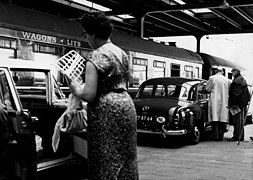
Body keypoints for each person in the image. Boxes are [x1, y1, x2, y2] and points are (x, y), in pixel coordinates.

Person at [69, 11, 139, 180]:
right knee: (125, 155)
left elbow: (89, 94)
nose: (86, 38)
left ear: (92, 34)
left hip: (106, 110)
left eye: (85, 34)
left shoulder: (95, 55)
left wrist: (75, 88)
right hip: (126, 106)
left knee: (105, 156)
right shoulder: (122, 53)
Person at [205, 67, 230, 141]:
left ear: (215, 71)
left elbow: (207, 89)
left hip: (214, 101)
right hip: (224, 101)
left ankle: (215, 136)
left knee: (215, 119)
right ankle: (221, 136)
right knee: (223, 119)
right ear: (222, 71)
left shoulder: (212, 78)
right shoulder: (227, 80)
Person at [228, 67, 250, 141]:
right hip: (242, 103)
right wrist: (247, 100)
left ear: (236, 72)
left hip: (237, 104)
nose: (232, 73)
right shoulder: (242, 80)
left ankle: (237, 136)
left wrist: (233, 103)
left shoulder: (236, 82)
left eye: (233, 72)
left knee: (236, 120)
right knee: (240, 120)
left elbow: (236, 94)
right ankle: (240, 136)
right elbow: (247, 92)